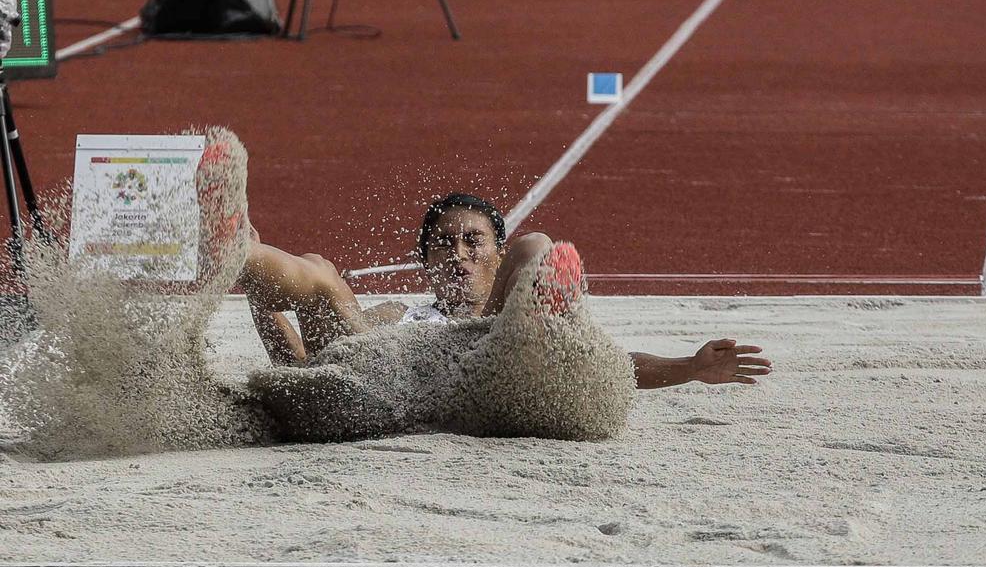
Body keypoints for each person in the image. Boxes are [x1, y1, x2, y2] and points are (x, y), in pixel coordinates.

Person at [239, 191, 773, 389]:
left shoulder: (507, 308)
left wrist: (689, 368)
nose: (459, 254)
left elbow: (603, 365)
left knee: (536, 244)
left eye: (474, 242)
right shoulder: (396, 313)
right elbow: (303, 370)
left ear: (495, 254)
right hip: (387, 388)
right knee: (318, 269)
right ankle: (239, 251)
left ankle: (547, 308)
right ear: (424, 262)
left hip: (487, 365)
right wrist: (262, 302)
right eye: (443, 245)